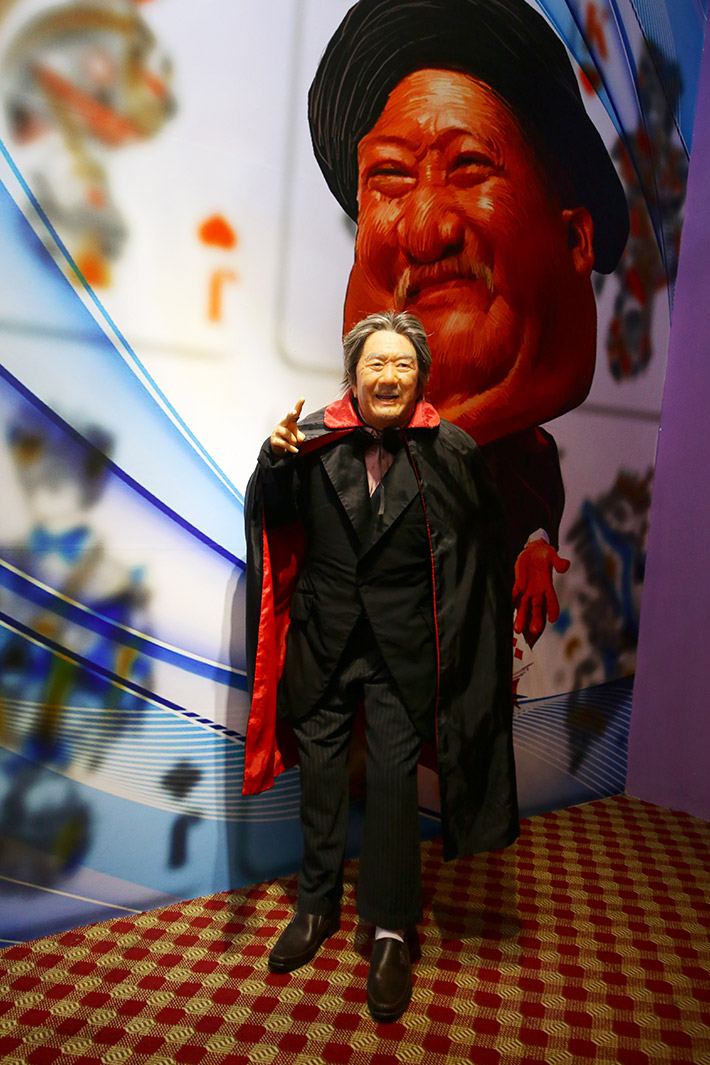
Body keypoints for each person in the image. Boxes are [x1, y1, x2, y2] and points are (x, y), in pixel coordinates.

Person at [308, 0, 629, 648]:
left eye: (470, 166)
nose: (426, 230)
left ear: (574, 238)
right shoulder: (330, 463)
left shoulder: (525, 459)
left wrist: (533, 548)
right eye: (390, 178)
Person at [243, 311, 517, 1023]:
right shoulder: (309, 442)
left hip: (404, 648)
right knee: (322, 779)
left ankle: (392, 929)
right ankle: (315, 905)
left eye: (403, 364)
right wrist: (272, 463)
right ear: (353, 373)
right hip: (324, 639)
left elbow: (479, 554)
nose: (389, 376)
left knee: (395, 786)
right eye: (376, 363)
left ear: (420, 377)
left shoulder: (452, 450)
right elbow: (278, 518)